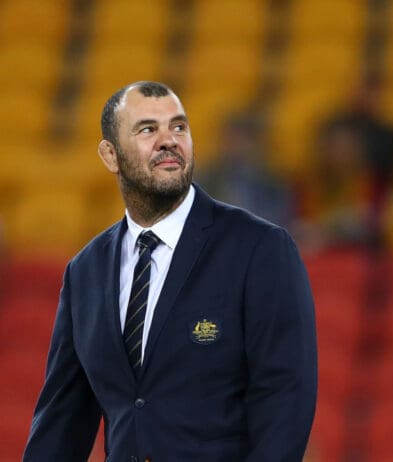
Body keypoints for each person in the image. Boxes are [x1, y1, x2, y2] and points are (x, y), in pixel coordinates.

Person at [23, 81, 317, 461]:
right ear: (110, 155)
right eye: (148, 129)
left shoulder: (260, 248)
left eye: (178, 127)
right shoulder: (85, 272)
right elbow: (62, 419)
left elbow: (285, 396)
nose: (169, 141)